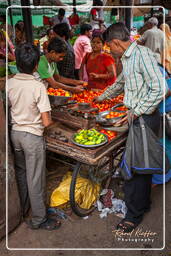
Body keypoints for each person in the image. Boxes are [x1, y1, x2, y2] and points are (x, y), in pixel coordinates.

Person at [94, 22, 166, 232]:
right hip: (137, 117)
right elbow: (120, 83)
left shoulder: (141, 55)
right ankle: (143, 205)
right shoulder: (128, 58)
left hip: (144, 118)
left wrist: (137, 110)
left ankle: (133, 217)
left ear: (116, 43)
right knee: (140, 166)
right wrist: (101, 97)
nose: (110, 51)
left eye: (109, 47)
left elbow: (159, 88)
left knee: (135, 169)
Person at [8, 43, 61, 230]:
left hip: (15, 135)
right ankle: (39, 218)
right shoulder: (38, 87)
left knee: (22, 173)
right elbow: (46, 122)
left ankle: (23, 209)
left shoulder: (10, 82)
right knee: (35, 177)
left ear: (17, 63)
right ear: (37, 64)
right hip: (32, 137)